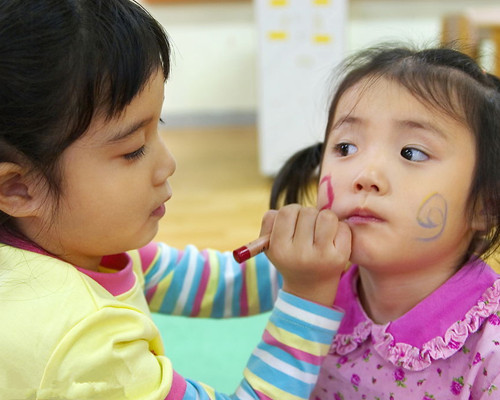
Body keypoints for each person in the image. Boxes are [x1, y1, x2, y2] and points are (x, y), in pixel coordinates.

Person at [0, 1, 350, 399]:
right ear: (18, 189)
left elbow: (215, 283)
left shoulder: (85, 245)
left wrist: (304, 259)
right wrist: (307, 299)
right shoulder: (83, 343)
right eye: (133, 149)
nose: (168, 163)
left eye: (158, 125)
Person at [268, 45, 500, 399]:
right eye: (345, 148)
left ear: (484, 205)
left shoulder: (491, 345)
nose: (365, 174)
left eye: (412, 152)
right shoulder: (311, 278)